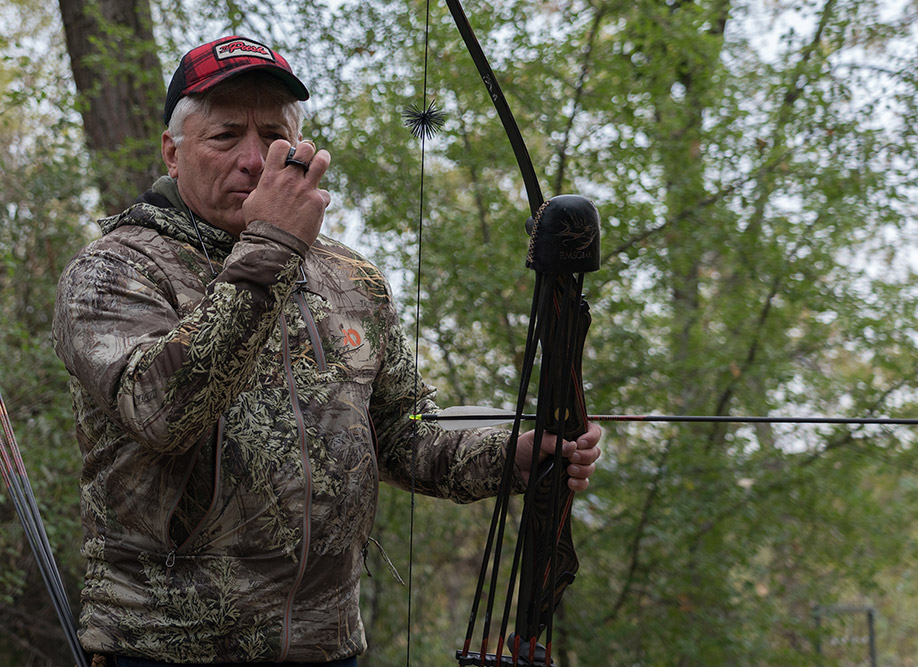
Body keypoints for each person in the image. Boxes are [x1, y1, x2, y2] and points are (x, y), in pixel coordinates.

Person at [52, 35, 601, 667]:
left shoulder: (350, 278)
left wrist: (511, 459)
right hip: (163, 648)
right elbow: (163, 413)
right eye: (225, 136)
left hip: (329, 643)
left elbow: (402, 435)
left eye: (274, 135)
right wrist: (272, 248)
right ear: (174, 154)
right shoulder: (115, 270)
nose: (255, 160)